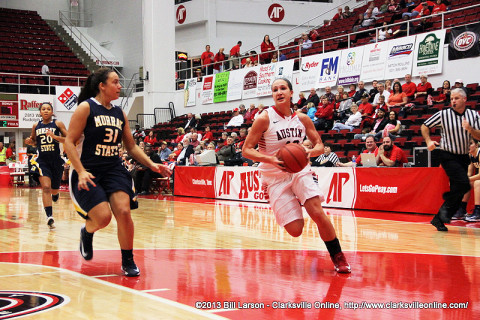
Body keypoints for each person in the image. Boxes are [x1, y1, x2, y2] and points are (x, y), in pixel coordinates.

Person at [64, 67, 171, 276]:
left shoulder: (119, 112)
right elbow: (69, 142)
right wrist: (81, 170)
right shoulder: (86, 108)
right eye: (115, 82)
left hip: (113, 168)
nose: (120, 86)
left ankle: (128, 260)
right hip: (88, 170)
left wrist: (152, 164)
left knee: (123, 211)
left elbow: (131, 147)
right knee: (103, 218)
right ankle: (87, 232)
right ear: (102, 86)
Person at [242, 78, 350, 273]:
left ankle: (338, 256)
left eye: (283, 88)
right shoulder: (264, 118)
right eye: (275, 89)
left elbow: (318, 145)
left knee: (316, 212)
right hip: (274, 176)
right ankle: (291, 198)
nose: (278, 92)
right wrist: (272, 160)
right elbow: (246, 150)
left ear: (291, 93)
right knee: (295, 230)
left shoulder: (302, 118)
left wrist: (307, 153)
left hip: (300, 171)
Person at [422, 88, 480, 232]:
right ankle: (444, 213)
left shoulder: (473, 115)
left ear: (464, 99)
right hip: (447, 154)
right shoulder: (443, 114)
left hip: (464, 157)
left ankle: (439, 219)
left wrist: (470, 129)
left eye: (456, 98)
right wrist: (428, 141)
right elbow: (425, 126)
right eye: (452, 98)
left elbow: (479, 136)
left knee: (459, 190)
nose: (453, 101)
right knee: (462, 183)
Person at [24, 102, 67, 230]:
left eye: (48, 109)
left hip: (56, 160)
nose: (46, 111)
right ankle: (49, 217)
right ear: (40, 112)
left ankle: (56, 194)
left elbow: (69, 138)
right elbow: (34, 141)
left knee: (54, 189)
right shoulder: (36, 125)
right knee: (46, 188)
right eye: (43, 109)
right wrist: (29, 142)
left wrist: (54, 137)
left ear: (52, 112)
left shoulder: (58, 124)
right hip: (42, 161)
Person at [452, 138, 480, 222]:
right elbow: (469, 173)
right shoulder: (471, 155)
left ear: (476, 145)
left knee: (477, 183)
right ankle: (462, 209)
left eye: (470, 144)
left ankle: (478, 212)